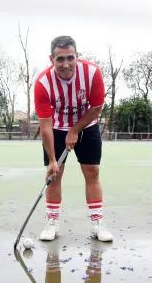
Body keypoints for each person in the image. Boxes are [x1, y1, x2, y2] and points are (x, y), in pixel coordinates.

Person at [33, 35, 113, 242]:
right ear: (51, 59)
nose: (66, 64)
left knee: (92, 171)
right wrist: (52, 160)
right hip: (56, 127)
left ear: (77, 56)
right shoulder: (43, 83)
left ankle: (97, 223)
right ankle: (52, 222)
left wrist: (75, 130)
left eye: (70, 57)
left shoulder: (92, 73)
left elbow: (96, 107)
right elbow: (45, 125)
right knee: (54, 175)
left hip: (87, 123)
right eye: (60, 59)